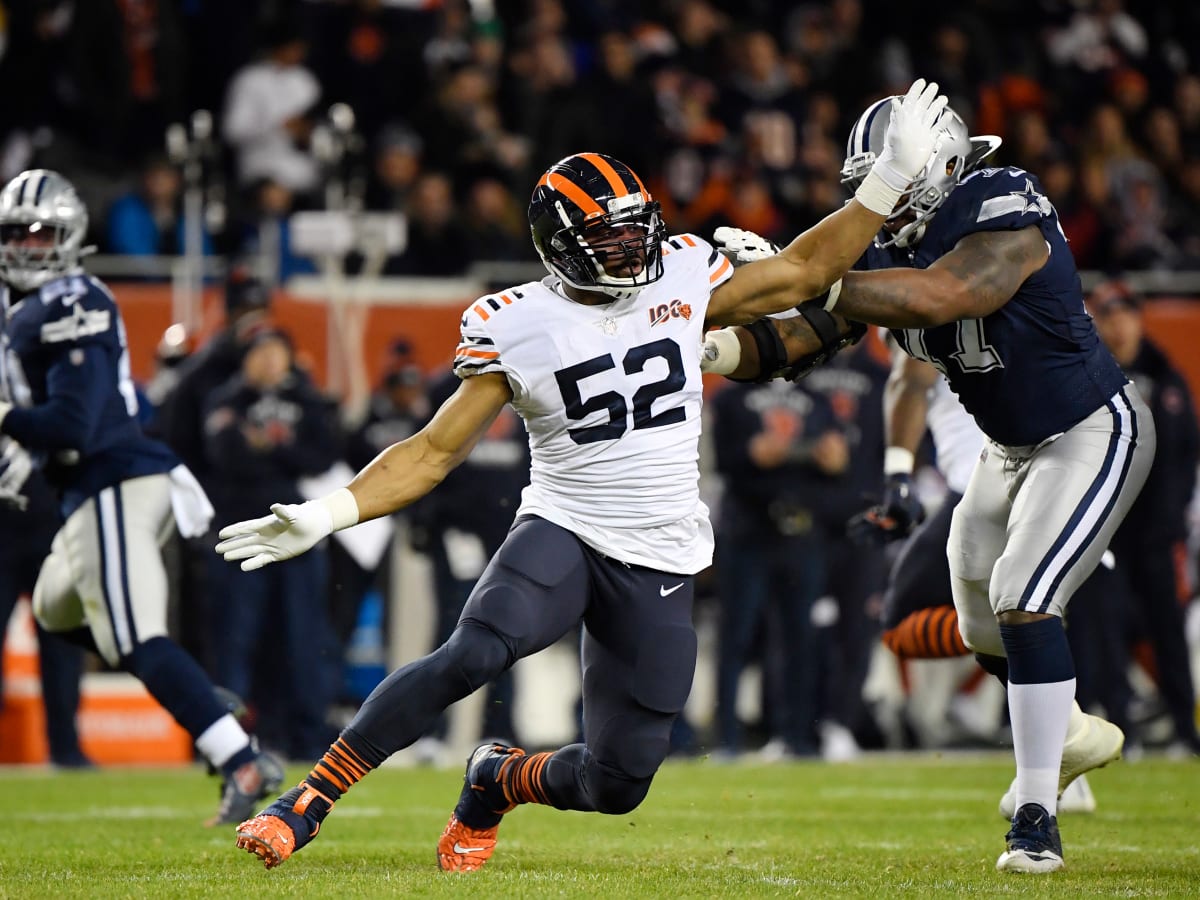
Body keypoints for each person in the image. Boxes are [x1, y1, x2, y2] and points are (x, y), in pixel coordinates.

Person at [216, 78, 950, 872]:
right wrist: (329, 513)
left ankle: (495, 779)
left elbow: (807, 272)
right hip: (564, 523)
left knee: (620, 780)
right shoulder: (517, 322)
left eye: (638, 230)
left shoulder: (681, 273)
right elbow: (432, 451)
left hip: (662, 548)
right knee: (472, 653)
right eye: (611, 238)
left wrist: (887, 183)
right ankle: (307, 800)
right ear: (561, 246)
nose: (635, 250)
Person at [704, 98, 1156, 874]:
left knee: (1023, 593)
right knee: (983, 631)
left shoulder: (1004, 202)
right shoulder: (881, 246)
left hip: (1089, 429)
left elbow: (948, 296)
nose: (884, 198)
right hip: (1004, 450)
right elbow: (796, 343)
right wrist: (710, 349)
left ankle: (1038, 818)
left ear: (942, 166)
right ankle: (1071, 732)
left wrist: (812, 278)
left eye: (893, 178)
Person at [0, 169, 283, 825]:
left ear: (69, 238)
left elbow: (72, 425)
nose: (27, 247)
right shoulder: (26, 311)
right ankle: (195, 693)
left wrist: (7, 419)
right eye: (16, 234)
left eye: (41, 234)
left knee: (134, 634)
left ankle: (239, 756)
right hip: (84, 493)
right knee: (52, 608)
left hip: (116, 480)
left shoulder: (73, 301)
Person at [1073, 280, 1200, 755]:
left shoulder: (1166, 375)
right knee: (1102, 627)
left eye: (1126, 313)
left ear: (1139, 318)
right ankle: (1117, 723)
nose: (1119, 323)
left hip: (1155, 532)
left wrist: (1173, 519)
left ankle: (1184, 728)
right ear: (1097, 322)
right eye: (1109, 315)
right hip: (1103, 527)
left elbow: (1185, 452)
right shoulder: (1087, 373)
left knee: (1167, 628)